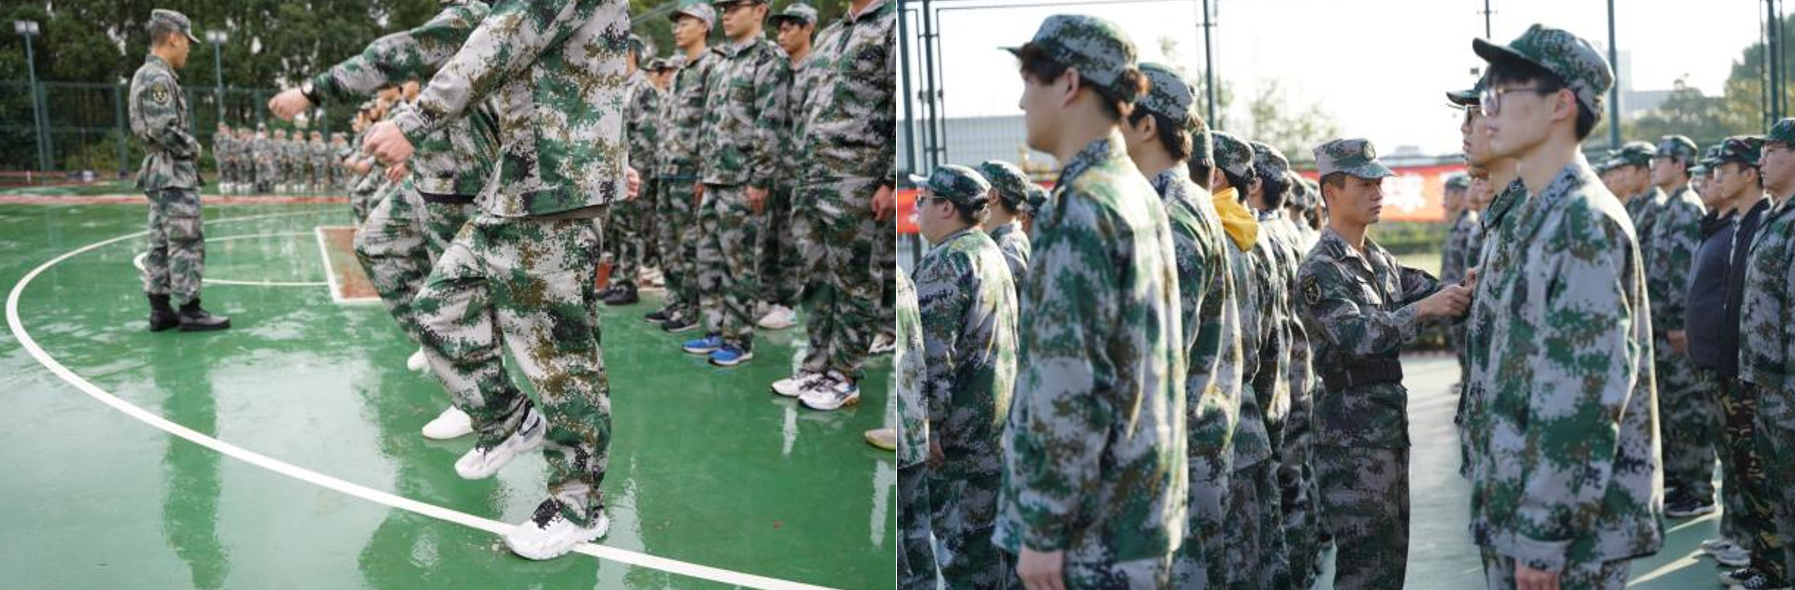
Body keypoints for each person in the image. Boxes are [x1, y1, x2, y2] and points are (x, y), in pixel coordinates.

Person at [360, 0, 632, 560]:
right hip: (513, 186)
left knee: (562, 362)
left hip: (558, 193)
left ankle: (579, 504)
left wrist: (412, 121)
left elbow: (500, 42)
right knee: (438, 309)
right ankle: (507, 419)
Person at [1463, 24, 1661, 589]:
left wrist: (1544, 537)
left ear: (1561, 105)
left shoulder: (1580, 221)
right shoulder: (1545, 213)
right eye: (1489, 95)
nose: (1489, 111)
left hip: (1568, 535)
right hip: (1536, 515)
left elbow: (1583, 396)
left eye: (1505, 93)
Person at [992, 15, 1186, 588]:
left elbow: (1069, 382)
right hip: (1133, 515)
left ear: (1070, 83)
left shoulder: (1082, 205)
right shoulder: (1132, 190)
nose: (1022, 100)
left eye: (1030, 80)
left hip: (1090, 532)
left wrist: (1043, 528)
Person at [1298, 138, 1471, 590]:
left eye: (1379, 183)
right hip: (1350, 436)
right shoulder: (1320, 269)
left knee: (1390, 562)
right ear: (1331, 191)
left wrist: (1466, 288)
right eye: (1365, 184)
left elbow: (1431, 290)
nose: (1378, 192)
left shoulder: (1376, 259)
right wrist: (1425, 309)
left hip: (1385, 427)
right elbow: (1357, 336)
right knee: (1364, 568)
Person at [1124, 62, 1242, 590]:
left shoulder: (1170, 212)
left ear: (1147, 126)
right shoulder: (1173, 201)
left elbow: (1160, 356)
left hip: (1176, 457)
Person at [779, 0, 897, 409]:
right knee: (815, 276)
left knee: (854, 280)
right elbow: (811, 108)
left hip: (856, 177)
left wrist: (890, 180)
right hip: (813, 175)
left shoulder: (891, 26)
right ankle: (816, 366)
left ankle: (844, 375)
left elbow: (897, 103)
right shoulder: (831, 34)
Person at [1686, 136, 1789, 590]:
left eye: (1724, 171)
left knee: (1765, 476)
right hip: (1740, 368)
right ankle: (1765, 561)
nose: (1714, 179)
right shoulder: (1751, 223)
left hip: (1768, 378)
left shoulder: (1770, 222)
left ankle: (1773, 565)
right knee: (1748, 470)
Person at [910, 164, 1018, 590]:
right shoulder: (988, 251)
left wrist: (930, 427)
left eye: (923, 200)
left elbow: (936, 356)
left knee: (963, 558)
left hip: (959, 441)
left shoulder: (947, 262)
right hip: (992, 430)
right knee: (988, 554)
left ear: (947, 207)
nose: (918, 208)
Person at [684, 0, 792, 367]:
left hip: (743, 181)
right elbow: (710, 123)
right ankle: (716, 329)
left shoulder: (769, 59)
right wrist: (703, 173)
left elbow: (770, 123)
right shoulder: (724, 62)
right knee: (709, 260)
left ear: (760, 10)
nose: (726, 15)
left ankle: (739, 339)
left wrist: (760, 179)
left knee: (740, 265)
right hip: (715, 178)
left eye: (734, 7)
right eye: (723, 8)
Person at [1209, 129, 1285, 589]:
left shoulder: (1209, 237)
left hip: (1217, 439)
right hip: (1252, 422)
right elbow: (1272, 345)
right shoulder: (1252, 236)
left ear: (1217, 176)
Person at [130, 8, 229, 332]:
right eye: (187, 41)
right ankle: (190, 310)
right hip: (172, 170)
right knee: (186, 240)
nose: (188, 48)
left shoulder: (147, 74)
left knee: (160, 240)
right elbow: (163, 128)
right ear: (173, 38)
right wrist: (193, 147)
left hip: (159, 170)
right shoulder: (158, 77)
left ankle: (160, 310)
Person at [1647, 135, 1722, 519]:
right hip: (1664, 328)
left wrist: (1678, 325)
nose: (1654, 166)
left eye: (1661, 159)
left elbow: (1685, 272)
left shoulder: (1686, 208)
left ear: (1679, 165)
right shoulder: (1671, 206)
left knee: (1689, 408)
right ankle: (1681, 480)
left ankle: (1698, 490)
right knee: (1673, 408)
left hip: (1677, 329)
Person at [1736, 120, 1795, 590]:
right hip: (1767, 388)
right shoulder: (1775, 215)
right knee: (1781, 503)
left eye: (1772, 150)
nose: (1761, 160)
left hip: (1788, 396)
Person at [645, 2, 718, 336]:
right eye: (676, 24)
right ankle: (675, 301)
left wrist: (704, 172)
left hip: (691, 173)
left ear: (704, 26)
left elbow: (713, 125)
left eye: (686, 22)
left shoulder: (711, 68)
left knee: (690, 245)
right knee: (668, 243)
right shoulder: (680, 74)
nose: (677, 29)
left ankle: (691, 307)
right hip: (668, 171)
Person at [759, 1, 822, 331]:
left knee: (793, 240)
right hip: (775, 169)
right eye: (779, 30)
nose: (781, 35)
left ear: (808, 28)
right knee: (770, 235)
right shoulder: (778, 71)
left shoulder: (819, 70)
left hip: (802, 170)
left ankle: (787, 303)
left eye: (788, 29)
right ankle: (770, 298)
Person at [974, 159, 1039, 292]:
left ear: (992, 196)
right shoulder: (1013, 239)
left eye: (977, 189)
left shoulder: (1004, 248)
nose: (971, 196)